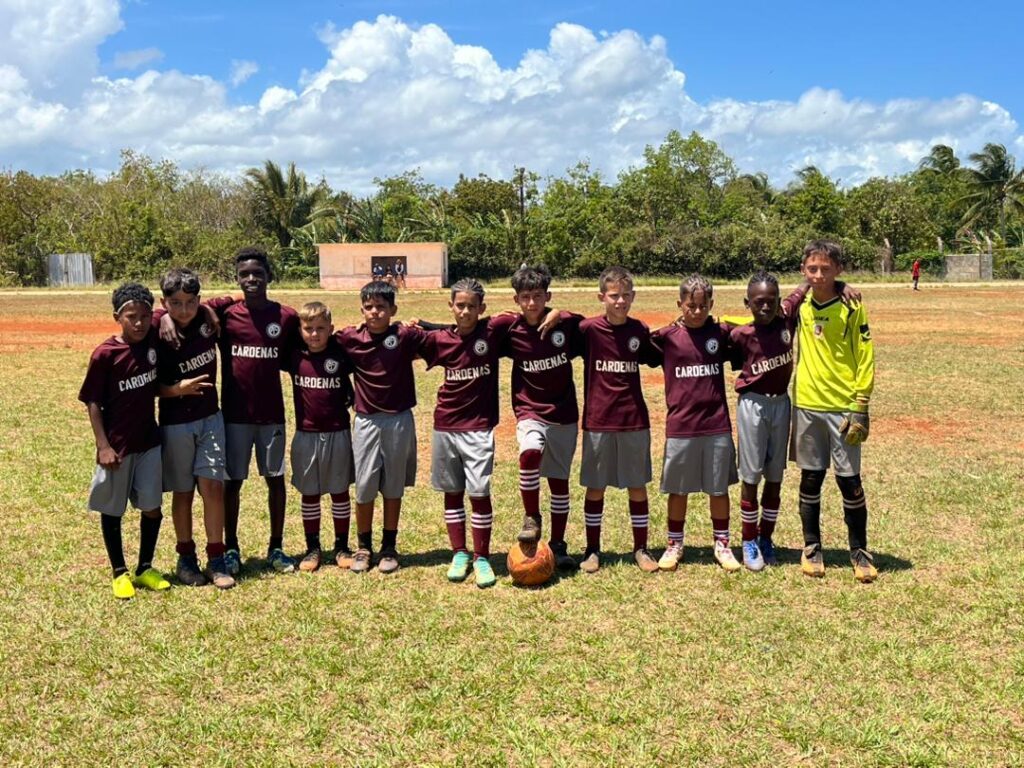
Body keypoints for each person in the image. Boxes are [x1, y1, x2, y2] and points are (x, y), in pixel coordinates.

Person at [200, 247, 299, 575]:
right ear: (237, 278)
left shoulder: (285, 317)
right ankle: (231, 548)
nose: (252, 279)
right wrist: (212, 306)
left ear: (269, 276)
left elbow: (300, 355)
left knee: (275, 479)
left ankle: (276, 547)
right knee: (233, 482)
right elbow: (193, 307)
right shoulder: (227, 315)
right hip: (234, 415)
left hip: (271, 414)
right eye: (245, 274)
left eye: (258, 273)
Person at [419, 279, 515, 588]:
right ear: (451, 307)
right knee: (452, 492)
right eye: (460, 305)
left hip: (478, 426)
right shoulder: (439, 340)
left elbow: (516, 315)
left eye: (472, 306)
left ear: (481, 309)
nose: (465, 311)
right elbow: (411, 340)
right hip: (446, 423)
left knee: (479, 491)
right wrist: (419, 323)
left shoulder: (492, 331)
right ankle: (459, 553)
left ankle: (482, 557)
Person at [792, 240, 877, 582]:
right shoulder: (798, 307)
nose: (818, 275)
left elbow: (866, 354)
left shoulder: (853, 306)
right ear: (803, 271)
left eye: (826, 269)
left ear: (838, 271)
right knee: (811, 477)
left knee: (849, 482)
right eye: (812, 268)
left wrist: (861, 403)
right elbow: (760, 313)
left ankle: (859, 551)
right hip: (807, 404)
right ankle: (812, 547)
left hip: (843, 406)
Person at [79, 283, 170, 599]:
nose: (140, 323)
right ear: (117, 316)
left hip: (149, 441)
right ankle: (119, 572)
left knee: (152, 507)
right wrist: (103, 446)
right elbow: (92, 401)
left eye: (145, 316)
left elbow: (168, 308)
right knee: (113, 509)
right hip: (117, 446)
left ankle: (145, 567)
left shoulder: (151, 341)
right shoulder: (106, 354)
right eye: (131, 316)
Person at [649, 275, 742, 573]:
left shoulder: (721, 333)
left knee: (718, 489)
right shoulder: (666, 337)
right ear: (680, 304)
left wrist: (726, 319)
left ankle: (722, 544)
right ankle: (674, 543)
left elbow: (753, 325)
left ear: (711, 305)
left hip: (716, 424)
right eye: (691, 306)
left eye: (703, 306)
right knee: (679, 489)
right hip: (681, 425)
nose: (697, 311)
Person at [335, 281, 428, 574]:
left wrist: (423, 323)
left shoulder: (404, 335)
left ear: (393, 310)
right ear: (361, 309)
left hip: (399, 419)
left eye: (381, 307)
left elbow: (446, 334)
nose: (375, 312)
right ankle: (363, 546)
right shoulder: (349, 337)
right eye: (369, 307)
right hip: (366, 420)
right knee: (364, 486)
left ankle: (389, 545)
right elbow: (320, 348)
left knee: (392, 484)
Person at [578, 266, 660, 574]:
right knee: (595, 486)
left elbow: (659, 352)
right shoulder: (587, 330)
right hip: (598, 420)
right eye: (614, 296)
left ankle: (641, 547)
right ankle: (592, 549)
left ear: (633, 296)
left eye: (626, 295)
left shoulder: (639, 331)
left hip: (633, 419)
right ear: (602, 297)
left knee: (637, 485)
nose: (620, 301)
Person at [155, 268, 234, 589]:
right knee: (183, 492)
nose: (183, 310)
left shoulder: (205, 316)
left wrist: (210, 310)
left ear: (199, 300)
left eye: (190, 302)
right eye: (174, 304)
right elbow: (149, 386)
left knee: (213, 487)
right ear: (164, 302)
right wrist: (177, 389)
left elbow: (233, 298)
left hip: (211, 418)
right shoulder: (156, 331)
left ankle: (217, 557)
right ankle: (186, 558)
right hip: (175, 423)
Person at [726, 271, 809, 570]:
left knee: (775, 474)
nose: (765, 307)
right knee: (751, 476)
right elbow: (709, 336)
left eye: (771, 301)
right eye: (758, 302)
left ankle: (766, 538)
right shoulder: (739, 334)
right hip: (753, 405)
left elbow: (807, 285)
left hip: (781, 403)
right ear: (747, 303)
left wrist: (842, 284)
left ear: (779, 302)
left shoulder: (787, 317)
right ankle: (748, 540)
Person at [503, 264, 582, 570]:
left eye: (538, 296)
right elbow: (468, 328)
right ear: (516, 300)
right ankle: (531, 515)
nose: (532, 303)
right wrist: (426, 325)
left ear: (548, 295)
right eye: (526, 297)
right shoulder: (509, 329)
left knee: (559, 481)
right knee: (530, 452)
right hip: (530, 410)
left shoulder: (564, 327)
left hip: (563, 413)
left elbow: (591, 324)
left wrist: (561, 312)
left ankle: (559, 546)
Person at [286, 302, 356, 573]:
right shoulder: (294, 357)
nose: (314, 334)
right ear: (300, 331)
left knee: (340, 492)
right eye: (308, 329)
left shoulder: (341, 355)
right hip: (306, 433)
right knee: (310, 493)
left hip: (338, 432)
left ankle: (341, 546)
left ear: (331, 330)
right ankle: (312, 547)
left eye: (320, 329)